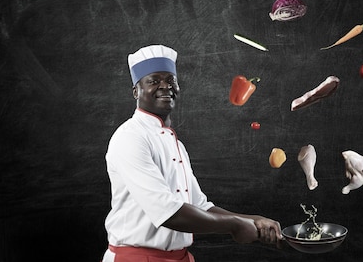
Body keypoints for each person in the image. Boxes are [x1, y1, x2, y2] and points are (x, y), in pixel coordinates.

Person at [102, 44, 283, 262]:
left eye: (171, 80)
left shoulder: (176, 144)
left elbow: (200, 207)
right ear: (135, 91)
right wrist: (235, 225)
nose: (165, 86)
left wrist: (253, 220)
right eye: (153, 81)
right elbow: (169, 212)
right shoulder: (130, 137)